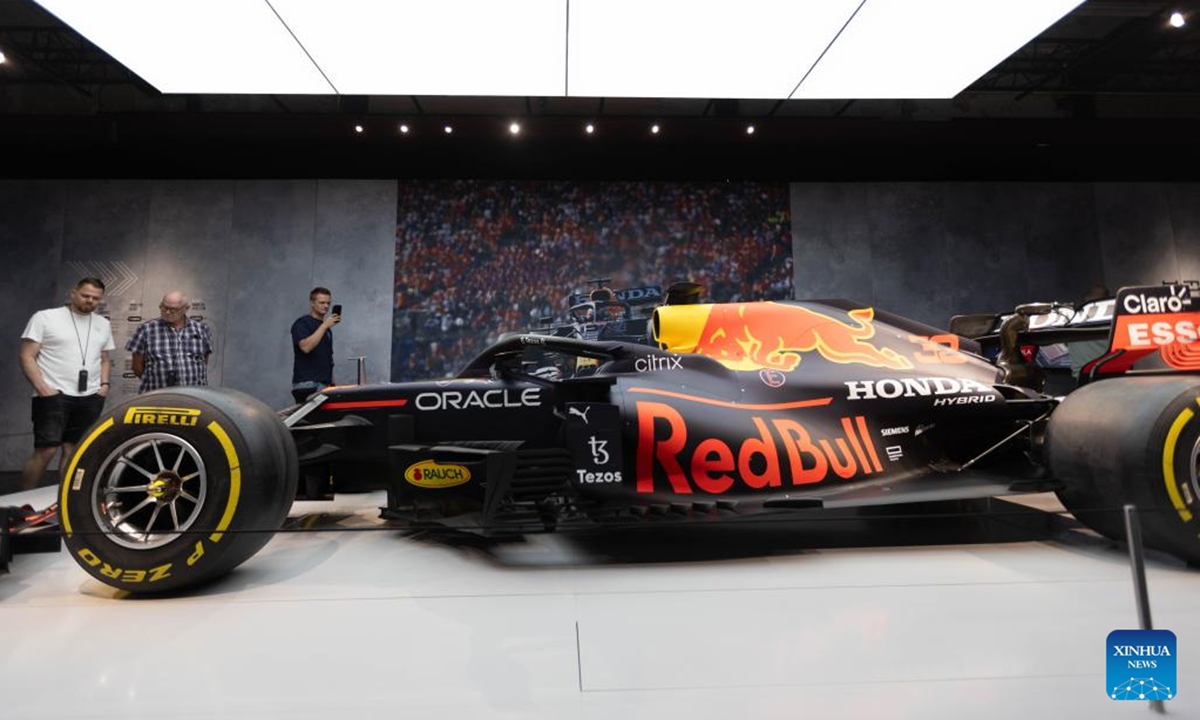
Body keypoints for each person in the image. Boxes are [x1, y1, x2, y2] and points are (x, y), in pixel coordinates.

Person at [18, 277, 115, 490]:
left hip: (90, 397)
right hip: (53, 395)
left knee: (73, 452)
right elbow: (26, 356)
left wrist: (104, 386)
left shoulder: (103, 324)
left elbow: (105, 358)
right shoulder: (45, 318)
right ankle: (20, 504)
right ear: (73, 292)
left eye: (95, 298)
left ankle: (63, 503)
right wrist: (43, 388)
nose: (90, 300)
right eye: (85, 295)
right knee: (46, 450)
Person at [125, 291, 214, 393]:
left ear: (186, 309)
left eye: (173, 309)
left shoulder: (201, 329)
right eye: (164, 307)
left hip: (193, 397)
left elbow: (203, 361)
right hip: (155, 396)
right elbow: (137, 367)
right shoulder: (146, 329)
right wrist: (156, 382)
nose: (167, 312)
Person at [291, 286, 339, 403]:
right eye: (322, 302)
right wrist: (324, 326)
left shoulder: (327, 330)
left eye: (328, 303)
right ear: (312, 303)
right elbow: (306, 347)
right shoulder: (302, 323)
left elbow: (327, 358)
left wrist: (333, 384)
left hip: (324, 384)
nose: (326, 306)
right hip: (308, 383)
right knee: (313, 420)